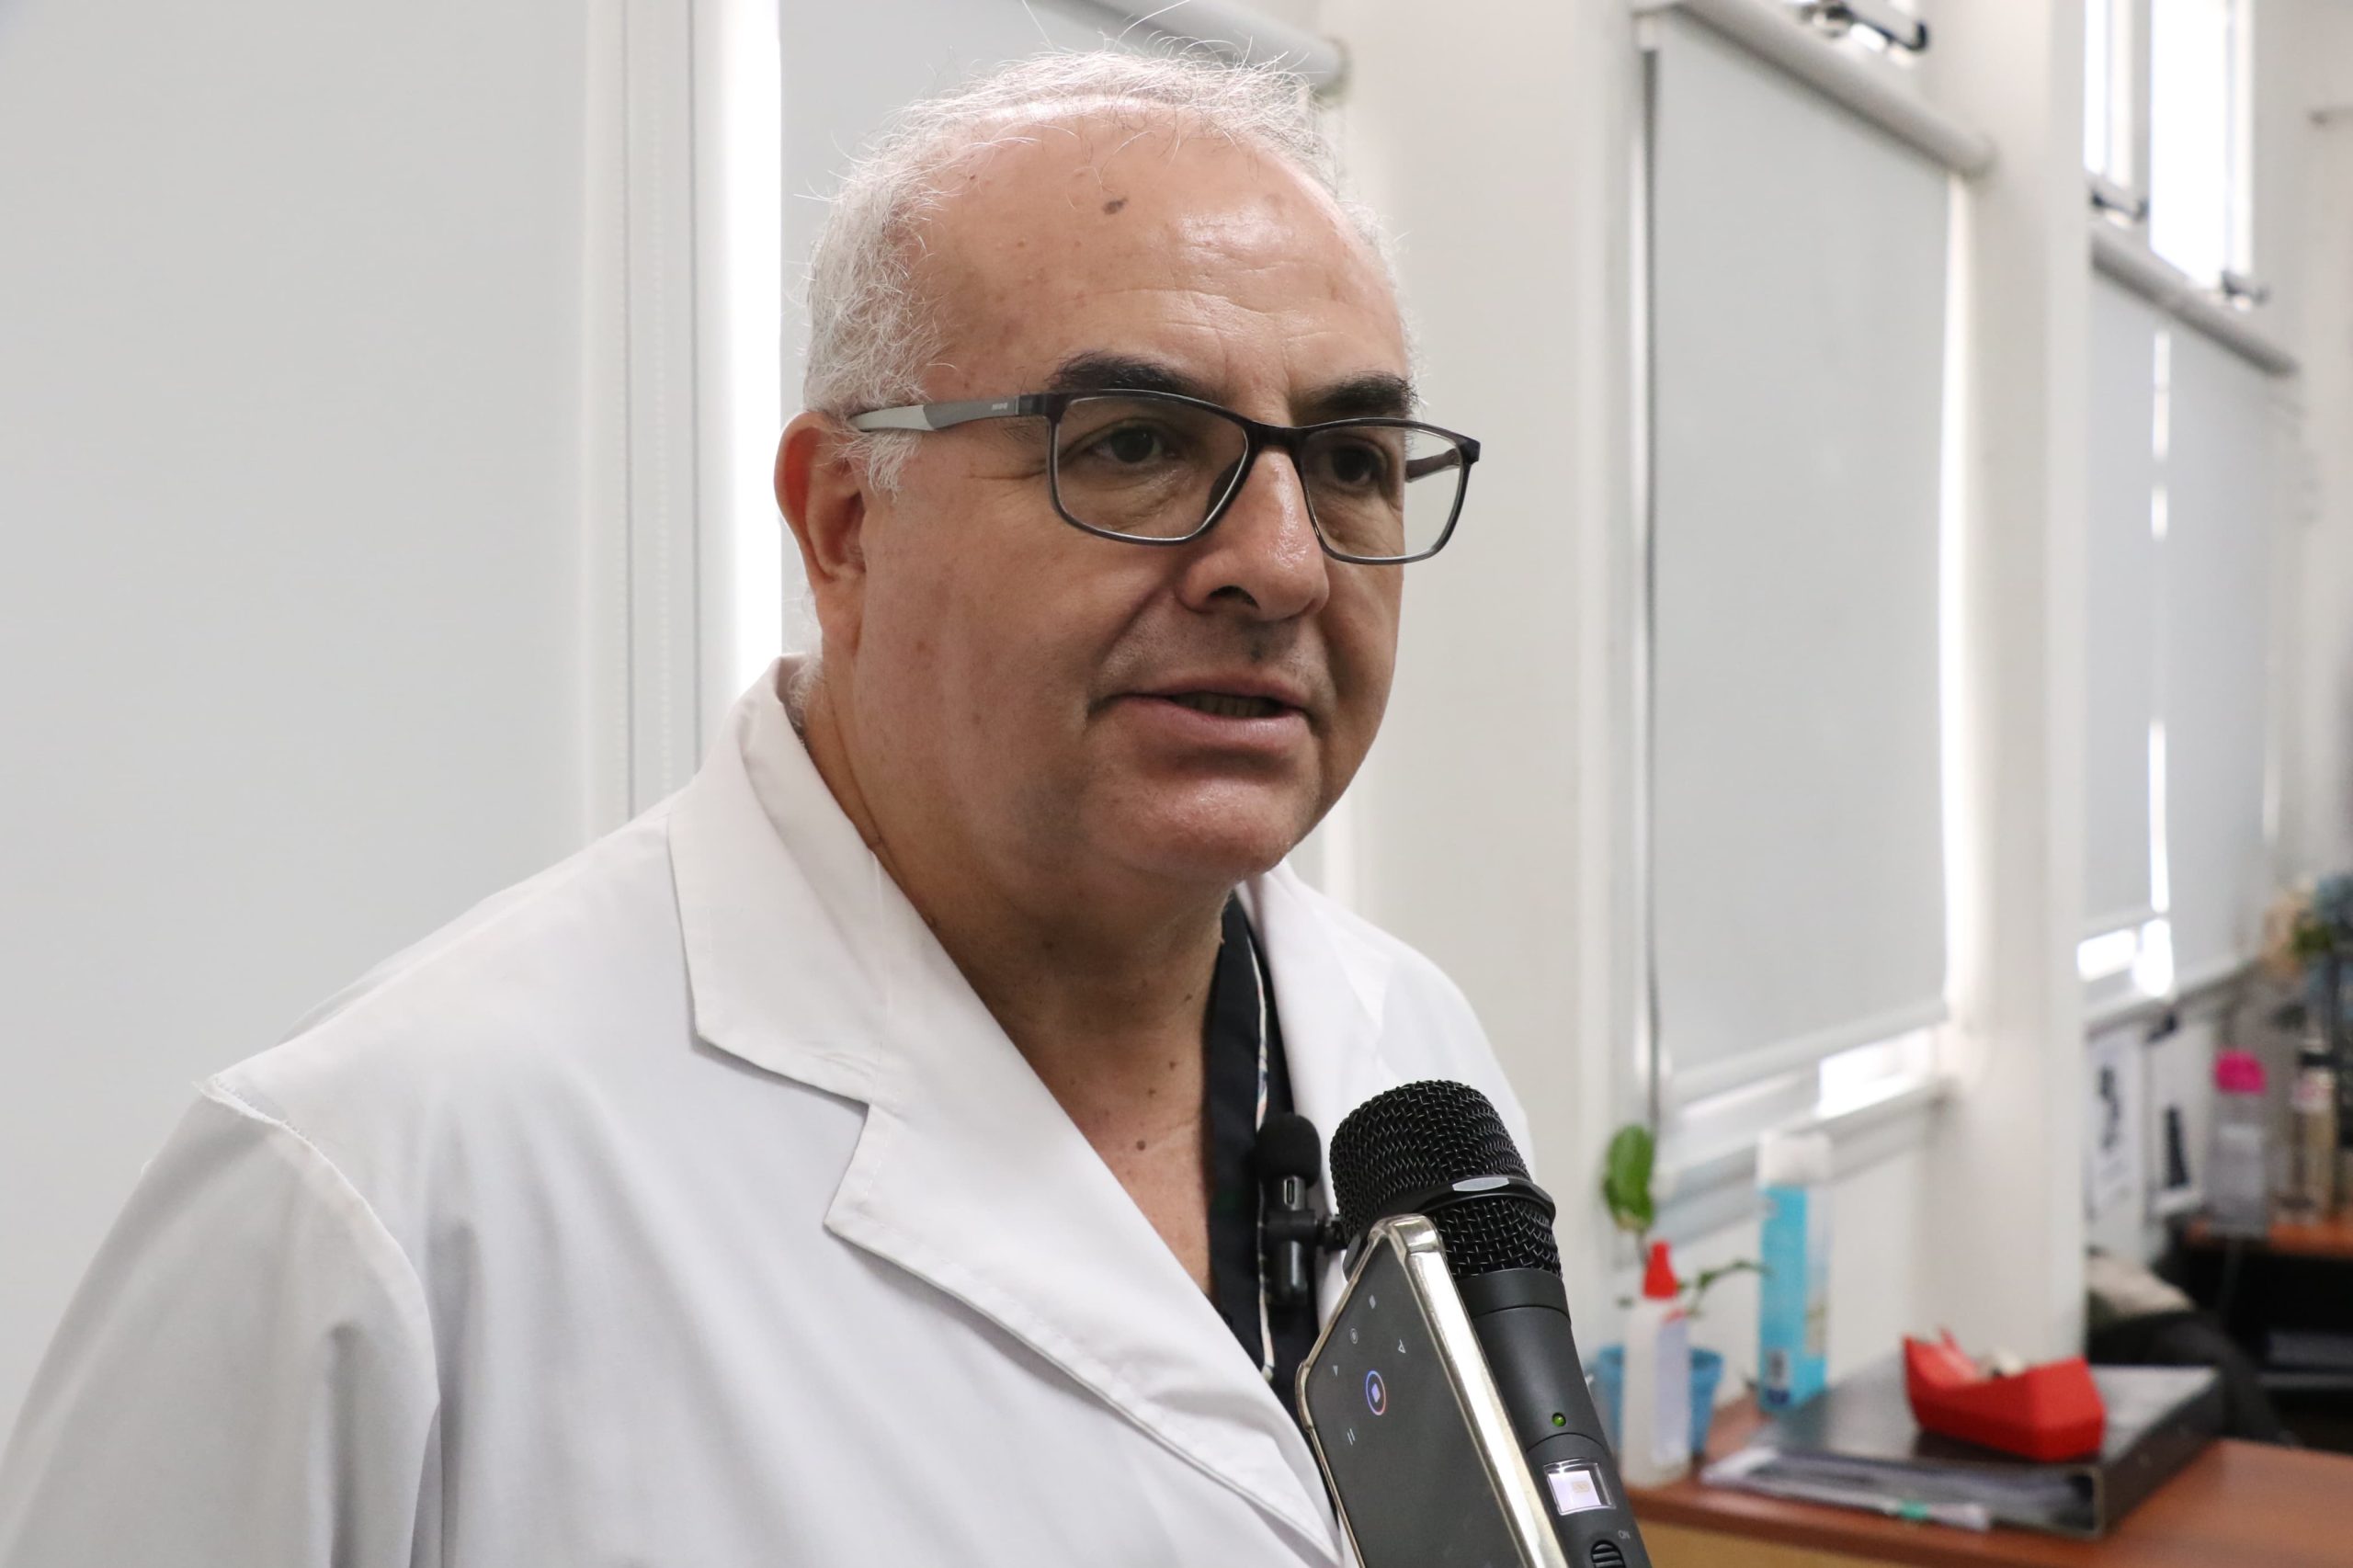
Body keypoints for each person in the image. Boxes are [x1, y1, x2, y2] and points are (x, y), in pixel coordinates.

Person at [0, 49, 1523, 1566]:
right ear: (844, 521)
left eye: (1349, 461)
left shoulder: (1410, 1057)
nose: (1284, 564)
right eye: (1132, 446)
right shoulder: (385, 1183)